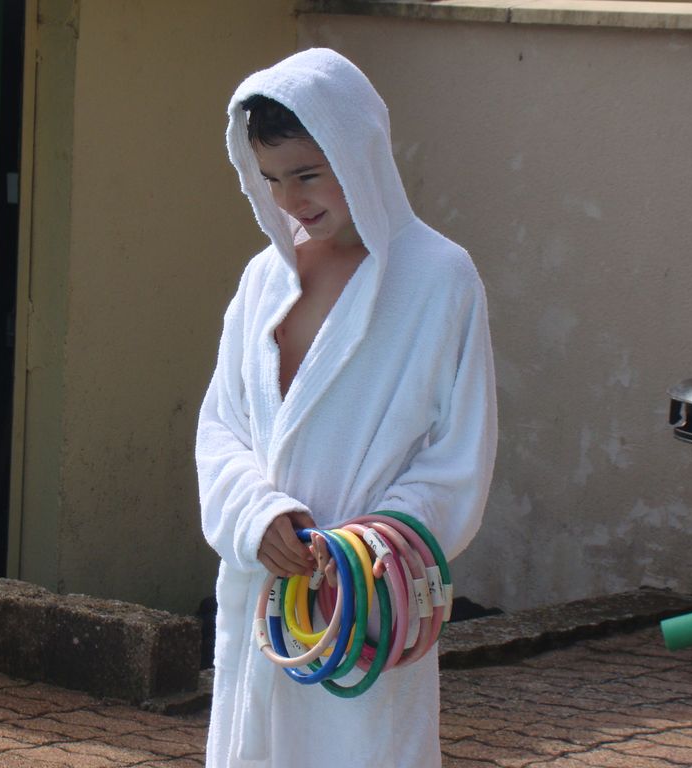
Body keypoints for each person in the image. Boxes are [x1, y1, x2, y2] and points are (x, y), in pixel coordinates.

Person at [196, 48, 498, 767]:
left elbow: (459, 455)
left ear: (358, 150)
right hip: (267, 598)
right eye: (271, 178)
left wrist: (367, 550)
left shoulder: (439, 279)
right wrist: (258, 516)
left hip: (364, 604)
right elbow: (222, 427)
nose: (289, 200)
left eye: (307, 174)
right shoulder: (264, 280)